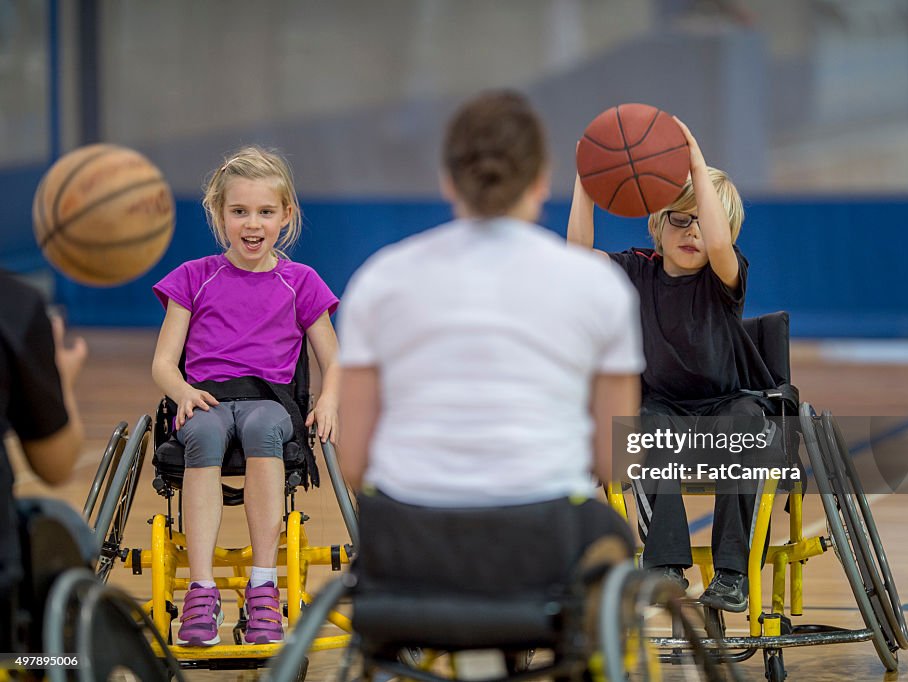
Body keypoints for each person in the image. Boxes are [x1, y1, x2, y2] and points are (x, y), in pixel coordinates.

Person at [336, 91, 643, 662]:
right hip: (545, 541)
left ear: (448, 179)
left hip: (408, 545)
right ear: (541, 181)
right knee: (614, 539)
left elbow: (353, 461)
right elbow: (611, 461)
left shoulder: (380, 280)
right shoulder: (598, 287)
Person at [567, 120, 778, 613]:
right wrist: (587, 181)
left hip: (728, 405)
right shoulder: (636, 270)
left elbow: (719, 242)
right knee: (639, 425)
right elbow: (575, 258)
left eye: (702, 222)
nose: (692, 233)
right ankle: (664, 565)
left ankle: (732, 574)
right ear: (656, 225)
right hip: (663, 409)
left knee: (749, 424)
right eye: (678, 220)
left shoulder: (724, 275)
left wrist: (696, 162)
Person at [151, 147, 340, 646]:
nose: (252, 223)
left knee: (261, 427)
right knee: (204, 433)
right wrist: (183, 392)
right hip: (207, 400)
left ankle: (261, 585)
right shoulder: (193, 277)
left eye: (265, 211)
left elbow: (335, 360)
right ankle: (201, 588)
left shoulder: (301, 282)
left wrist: (329, 401)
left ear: (286, 216)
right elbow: (162, 364)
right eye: (239, 211)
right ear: (219, 215)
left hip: (270, 404)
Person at [0, 272, 88, 650]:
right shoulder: (14, 304)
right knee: (68, 528)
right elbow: (56, 466)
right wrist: (62, 381)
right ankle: (52, 666)